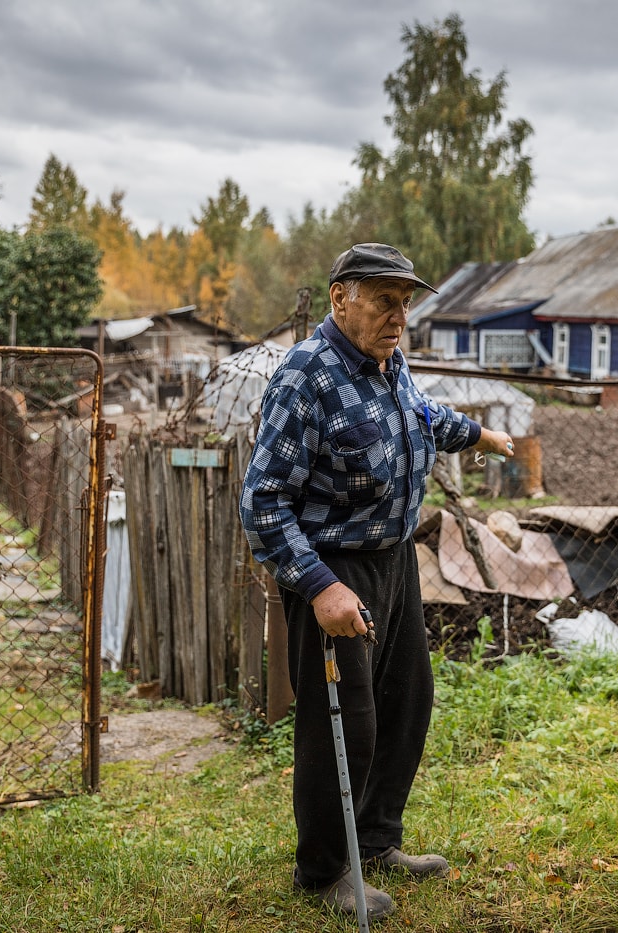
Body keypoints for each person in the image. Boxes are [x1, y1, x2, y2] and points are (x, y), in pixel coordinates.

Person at [240, 243, 513, 920]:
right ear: (341, 297)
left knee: (403, 702)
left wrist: (481, 435)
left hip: (393, 562)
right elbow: (263, 500)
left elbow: (424, 419)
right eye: (384, 298)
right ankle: (326, 869)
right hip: (336, 570)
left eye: (405, 301)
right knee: (346, 723)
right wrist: (321, 586)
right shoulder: (308, 374)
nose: (399, 314)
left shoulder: (390, 363)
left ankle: (376, 840)